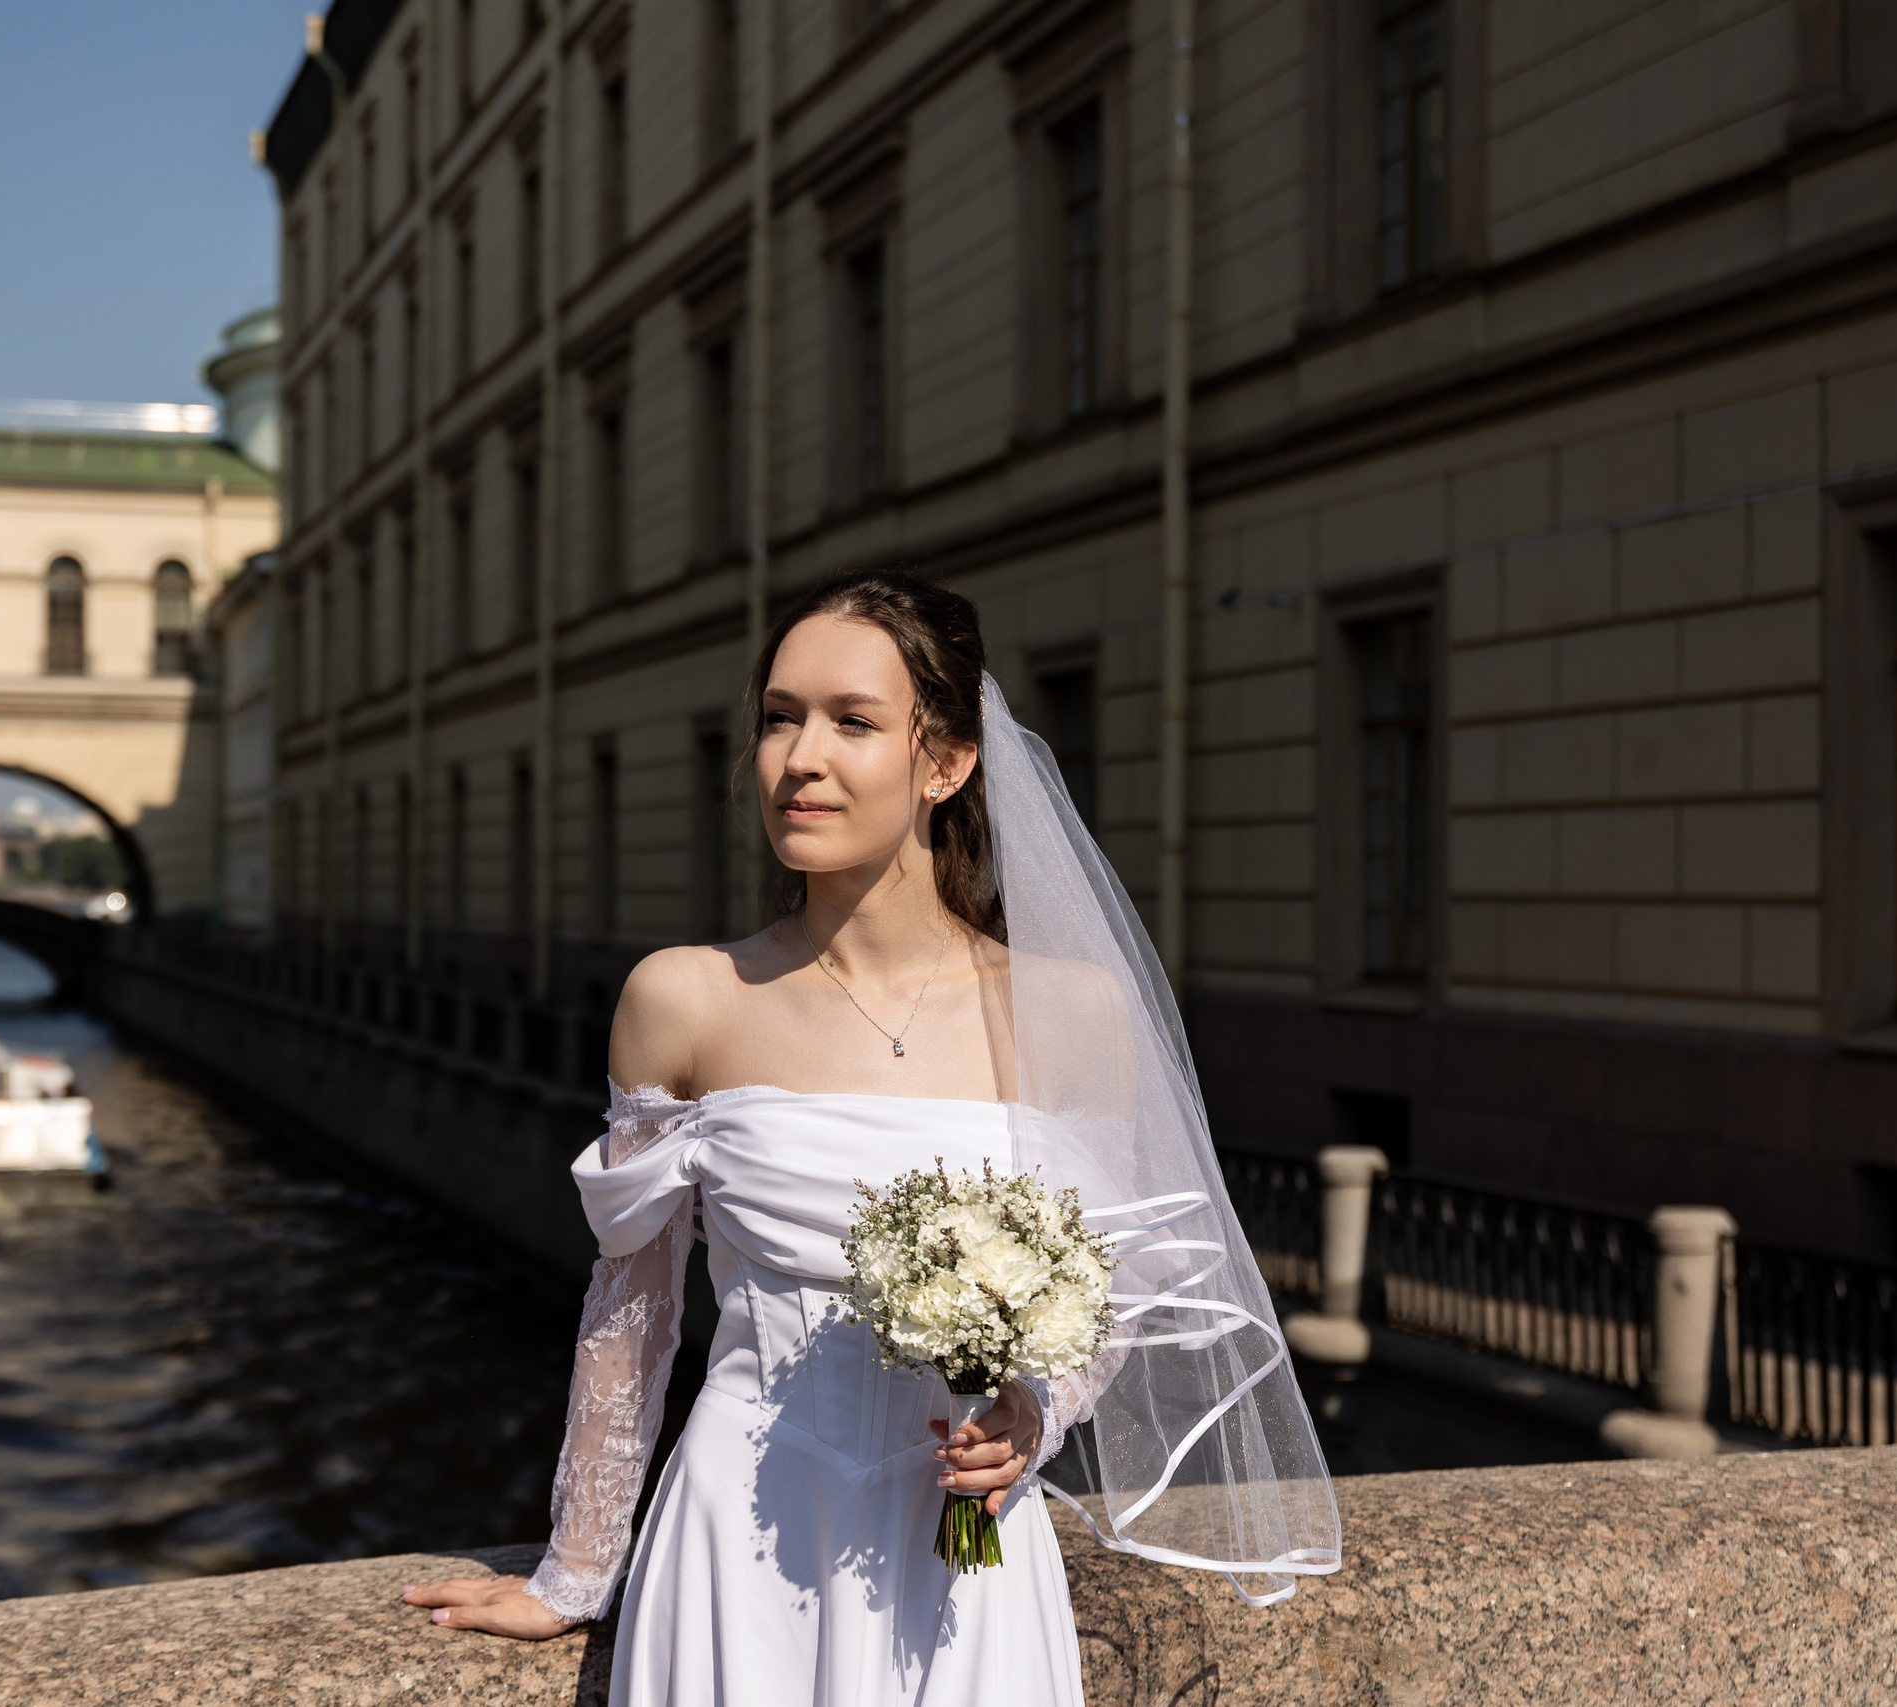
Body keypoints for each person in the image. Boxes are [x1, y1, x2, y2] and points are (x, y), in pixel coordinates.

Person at [406, 568, 1337, 1704]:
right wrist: (576, 1571)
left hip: (964, 1554)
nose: (799, 757)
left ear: (943, 763)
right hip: (737, 1537)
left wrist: (1031, 1413)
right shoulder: (684, 1000)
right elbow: (632, 1313)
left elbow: (1113, 1291)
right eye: (778, 718)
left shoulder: (1068, 1008)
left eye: (852, 722)